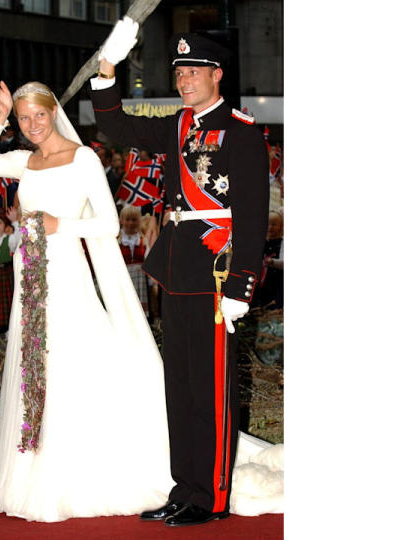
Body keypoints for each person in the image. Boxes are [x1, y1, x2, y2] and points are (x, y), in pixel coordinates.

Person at [0, 73, 173, 522]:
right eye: (24, 119)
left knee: (67, 361)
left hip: (66, 274)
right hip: (29, 278)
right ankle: (36, 470)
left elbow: (109, 225)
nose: (32, 124)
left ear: (53, 113)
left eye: (38, 115)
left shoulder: (82, 160)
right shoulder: (25, 160)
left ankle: (78, 471)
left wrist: (62, 226)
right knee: (34, 365)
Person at [91, 22, 271, 527]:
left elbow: (253, 217)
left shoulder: (241, 131)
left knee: (211, 392)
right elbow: (116, 128)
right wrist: (108, 68)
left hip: (218, 275)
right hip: (177, 270)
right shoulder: (176, 125)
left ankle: (211, 496)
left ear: (217, 74)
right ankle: (185, 487)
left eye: (193, 71)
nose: (184, 80)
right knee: (182, 389)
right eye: (179, 72)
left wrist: (242, 286)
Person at [118, 205, 150, 315]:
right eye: (127, 219)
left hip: (140, 280)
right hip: (123, 277)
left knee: (139, 309)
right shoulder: (117, 240)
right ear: (121, 220)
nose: (131, 223)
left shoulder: (143, 240)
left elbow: (148, 259)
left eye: (134, 220)